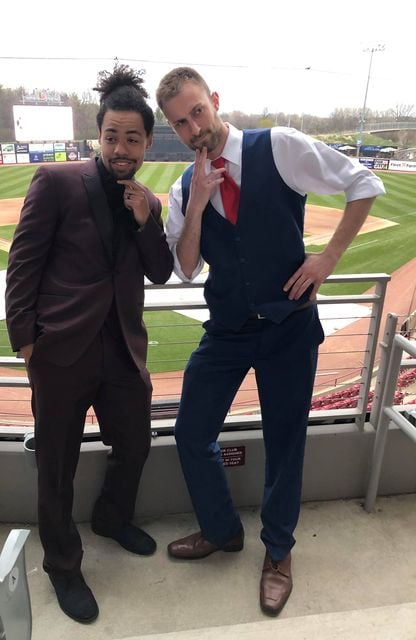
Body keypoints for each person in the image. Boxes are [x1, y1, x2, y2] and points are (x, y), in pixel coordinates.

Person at [156, 67, 385, 616]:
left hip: (289, 327)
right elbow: (185, 268)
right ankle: (222, 531)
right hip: (228, 329)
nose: (193, 129)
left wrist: (328, 258)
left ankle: (279, 552)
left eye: (197, 112)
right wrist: (196, 202)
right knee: (191, 432)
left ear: (214, 101)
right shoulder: (184, 186)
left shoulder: (278, 147)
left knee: (286, 442)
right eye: (180, 123)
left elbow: (364, 184)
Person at [5, 64, 173, 624]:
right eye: (112, 136)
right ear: (98, 136)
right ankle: (62, 564)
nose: (121, 149)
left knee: (136, 444)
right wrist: (27, 344)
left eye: (133, 139)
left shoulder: (148, 200)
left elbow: (160, 272)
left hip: (122, 349)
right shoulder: (55, 183)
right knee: (57, 466)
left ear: (147, 143)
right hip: (60, 353)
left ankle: (111, 517)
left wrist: (147, 220)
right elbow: (22, 267)